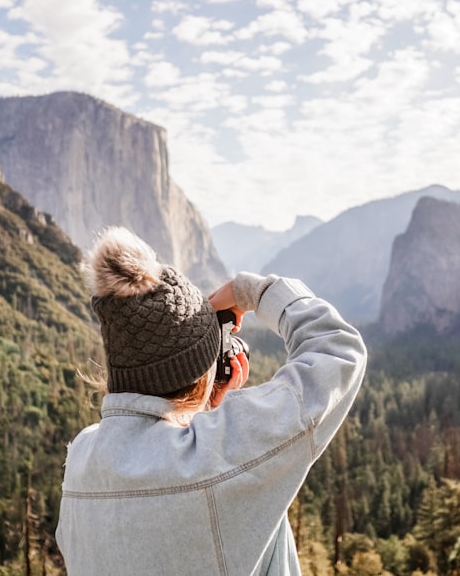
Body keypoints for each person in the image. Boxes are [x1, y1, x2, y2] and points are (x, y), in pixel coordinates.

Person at [55, 226, 367, 575]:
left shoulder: (81, 461)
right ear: (201, 374)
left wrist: (205, 404)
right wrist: (255, 291)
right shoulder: (217, 455)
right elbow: (338, 350)